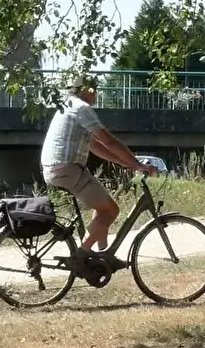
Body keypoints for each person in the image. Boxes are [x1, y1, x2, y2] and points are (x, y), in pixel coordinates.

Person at [40, 78, 153, 270]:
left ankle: (102, 256)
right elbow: (108, 140)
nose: (97, 93)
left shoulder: (68, 105)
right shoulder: (81, 108)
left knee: (102, 208)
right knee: (111, 210)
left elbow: (95, 146)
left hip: (60, 169)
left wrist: (125, 163)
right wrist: (136, 164)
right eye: (95, 89)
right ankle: (81, 256)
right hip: (67, 169)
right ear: (85, 90)